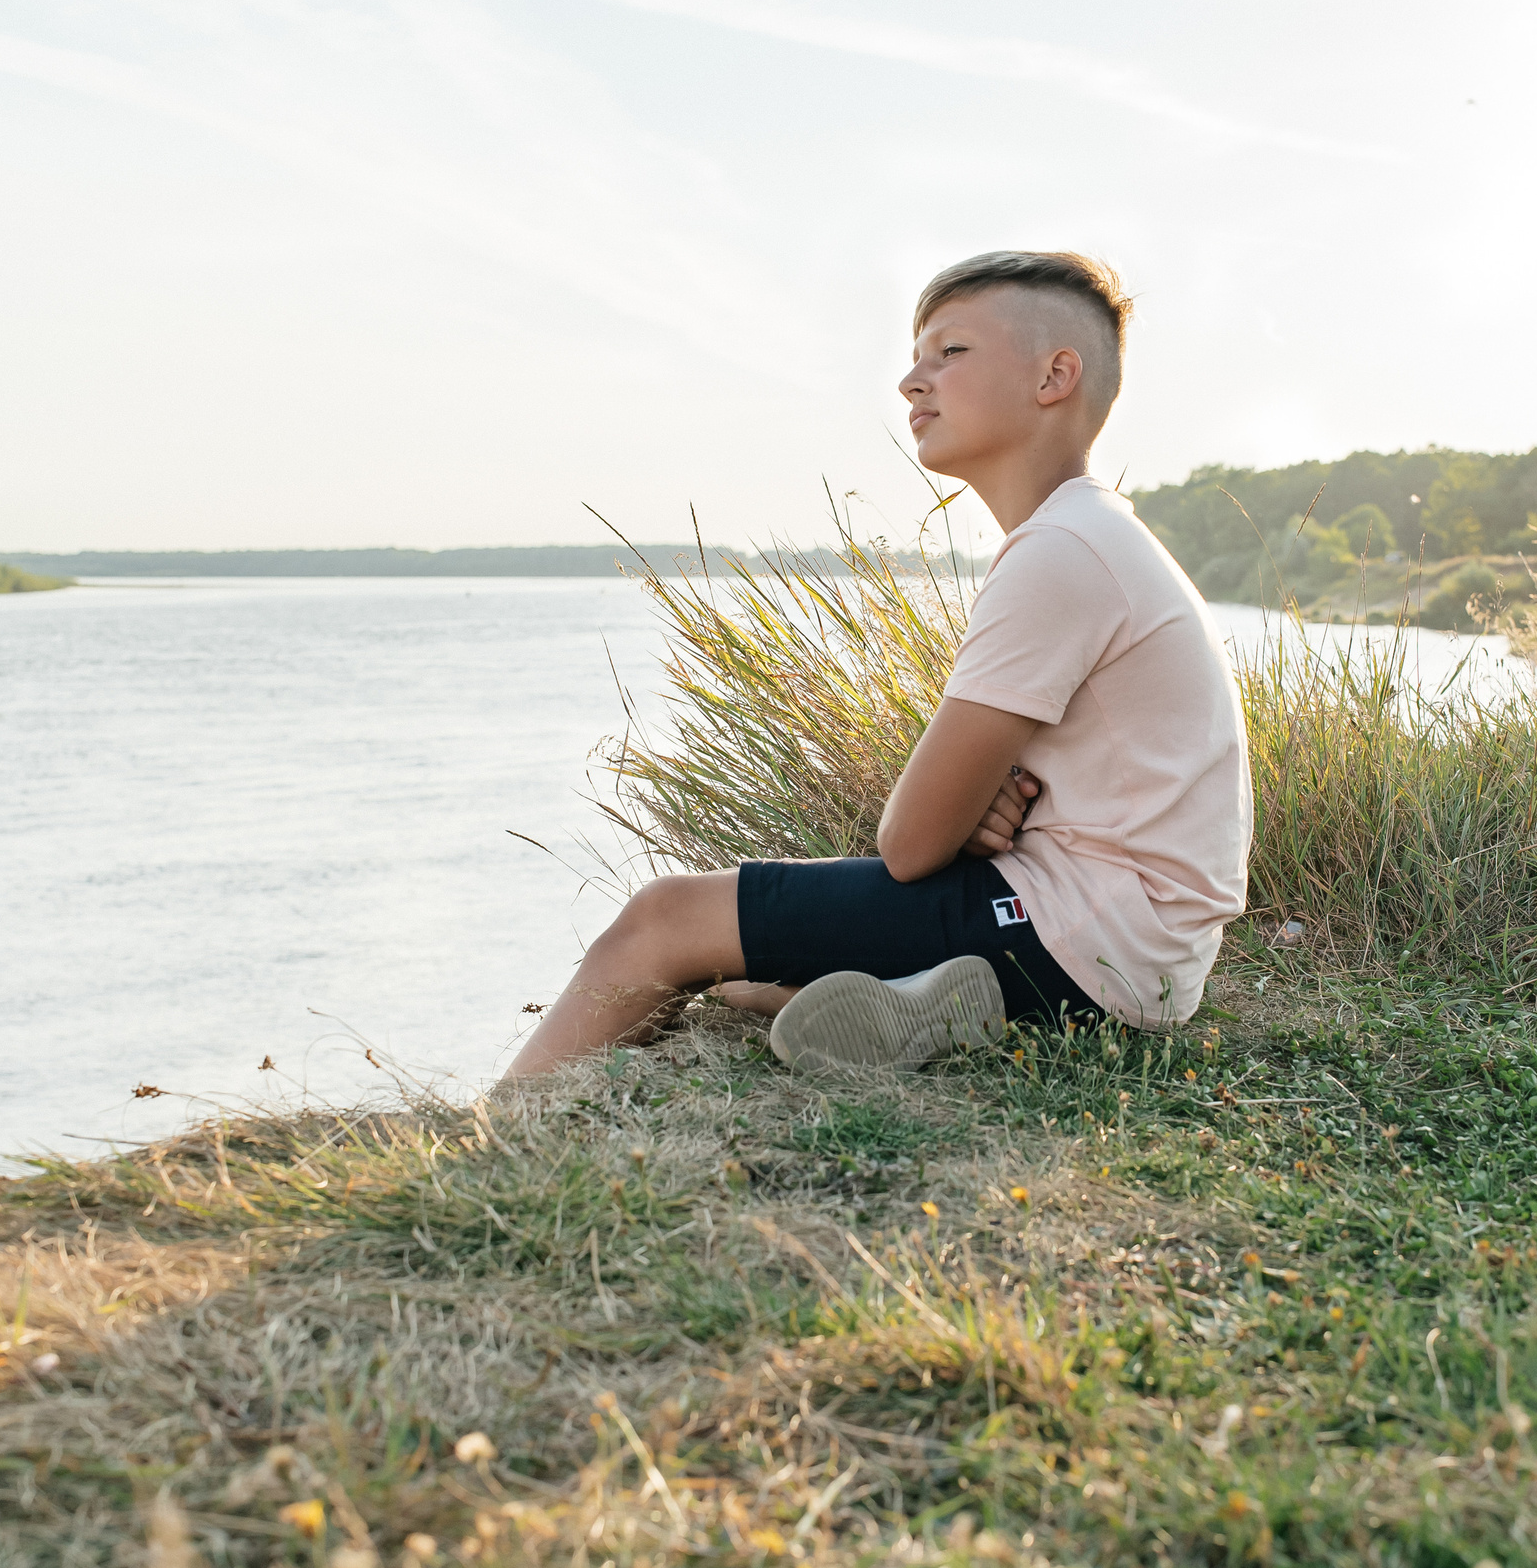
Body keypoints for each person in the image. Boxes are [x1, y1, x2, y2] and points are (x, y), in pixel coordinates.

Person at [502, 250, 1250, 1078]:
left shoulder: (1060, 551)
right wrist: (980, 810)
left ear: (1054, 376)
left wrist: (961, 820)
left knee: (665, 919)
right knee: (749, 973)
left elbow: (911, 843)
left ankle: (488, 1141)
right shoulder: (1094, 533)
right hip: (1141, 956)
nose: (911, 381)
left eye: (950, 351)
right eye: (916, 355)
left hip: (1081, 937)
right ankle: (925, 1000)